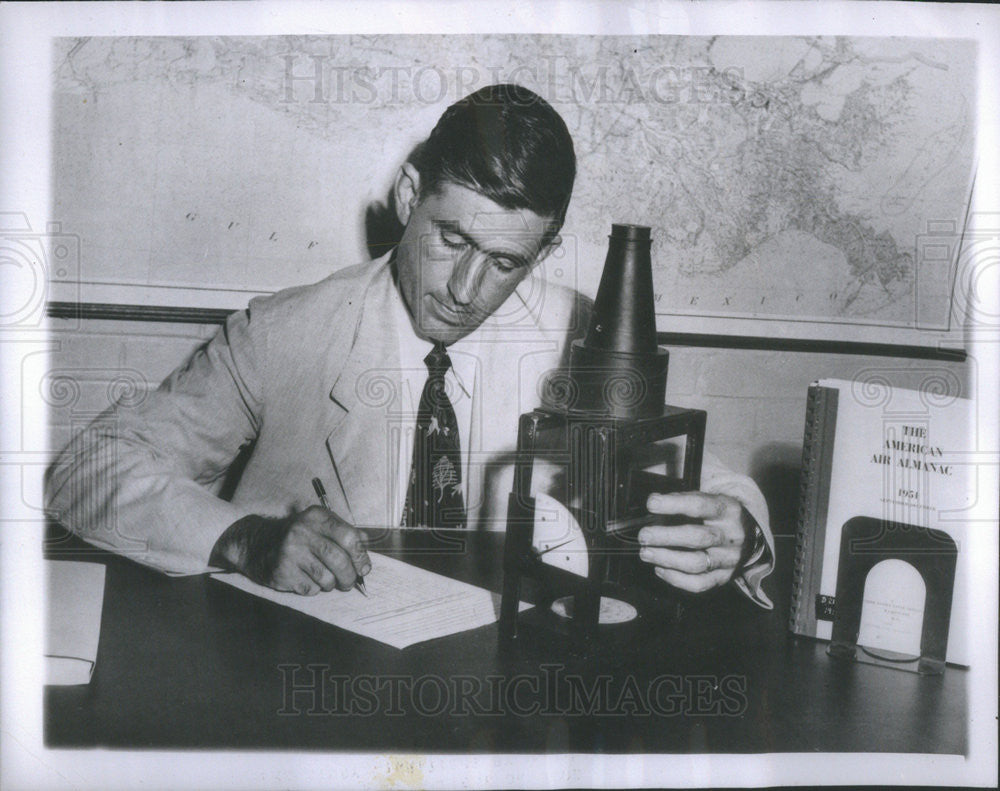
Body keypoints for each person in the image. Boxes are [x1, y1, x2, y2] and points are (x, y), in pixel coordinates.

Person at [45, 84, 773, 607]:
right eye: (451, 239)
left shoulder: (578, 336)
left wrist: (736, 530)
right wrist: (247, 538)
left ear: (543, 253)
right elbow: (86, 468)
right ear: (407, 195)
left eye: (505, 262)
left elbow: (710, 480)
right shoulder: (284, 333)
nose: (464, 288)